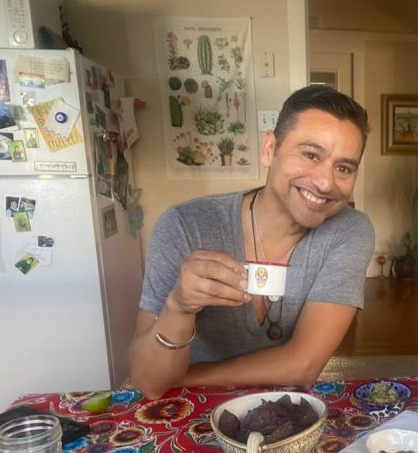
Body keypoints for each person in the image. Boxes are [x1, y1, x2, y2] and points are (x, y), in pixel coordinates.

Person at [129, 85, 374, 400]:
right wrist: (179, 305)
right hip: (191, 409)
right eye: (311, 154)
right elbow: (147, 380)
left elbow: (303, 364)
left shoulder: (349, 231)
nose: (325, 183)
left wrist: (185, 377)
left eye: (343, 168)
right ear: (270, 149)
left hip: (283, 410)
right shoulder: (184, 226)